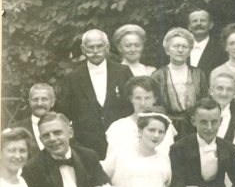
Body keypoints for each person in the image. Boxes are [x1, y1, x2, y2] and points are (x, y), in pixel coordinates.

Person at [56, 29, 134, 158]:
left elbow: (133, 105)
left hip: (121, 141)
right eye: (91, 47)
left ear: (107, 47)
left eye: (99, 46)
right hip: (87, 145)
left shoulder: (122, 72)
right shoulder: (73, 78)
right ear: (83, 49)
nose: (95, 51)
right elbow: (65, 113)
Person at [168, 98, 235, 187]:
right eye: (203, 122)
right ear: (193, 122)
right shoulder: (179, 148)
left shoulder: (227, 147)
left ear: (221, 121)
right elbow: (175, 186)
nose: (209, 128)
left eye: (214, 122)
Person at [151, 28, 208, 138]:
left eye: (184, 47)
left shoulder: (198, 74)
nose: (180, 50)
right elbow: (154, 106)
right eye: (176, 46)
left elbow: (204, 102)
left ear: (189, 51)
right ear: (167, 50)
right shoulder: (158, 75)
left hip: (193, 128)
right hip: (166, 128)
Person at [105, 76, 177, 156]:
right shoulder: (118, 127)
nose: (143, 103)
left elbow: (169, 157)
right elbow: (109, 163)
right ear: (131, 98)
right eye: (138, 98)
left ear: (155, 99)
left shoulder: (164, 125)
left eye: (147, 98)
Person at [12, 83, 57, 153]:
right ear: (29, 102)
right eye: (35, 99)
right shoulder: (15, 129)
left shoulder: (63, 126)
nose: (39, 103)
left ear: (52, 102)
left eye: (44, 99)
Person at [209, 72, 235, 142]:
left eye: (229, 89)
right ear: (211, 91)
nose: (224, 93)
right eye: (220, 88)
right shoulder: (195, 113)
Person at [186, 9, 225, 77]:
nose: (198, 23)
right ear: (189, 27)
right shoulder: (181, 48)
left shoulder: (221, 49)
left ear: (211, 25)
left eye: (202, 20)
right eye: (194, 21)